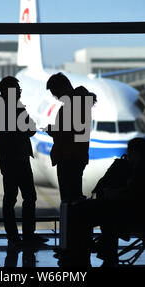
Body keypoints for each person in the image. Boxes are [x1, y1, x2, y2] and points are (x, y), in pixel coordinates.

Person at [66, 138, 145, 266]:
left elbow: (136, 194)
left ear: (136, 153)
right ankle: (100, 251)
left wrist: (114, 194)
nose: (128, 157)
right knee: (103, 213)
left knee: (92, 212)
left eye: (130, 153)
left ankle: (83, 252)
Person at [0, 76, 47, 247]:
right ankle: (27, 235)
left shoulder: (0, 108)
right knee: (27, 197)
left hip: (11, 159)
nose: (19, 93)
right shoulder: (14, 109)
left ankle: (14, 236)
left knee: (11, 198)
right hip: (17, 159)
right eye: (17, 90)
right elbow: (30, 129)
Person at [44, 72, 97, 203]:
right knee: (74, 197)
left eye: (55, 92)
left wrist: (52, 130)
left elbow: (67, 134)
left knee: (69, 200)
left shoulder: (72, 106)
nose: (55, 96)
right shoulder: (81, 102)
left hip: (68, 157)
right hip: (77, 156)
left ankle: (70, 223)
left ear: (62, 88)